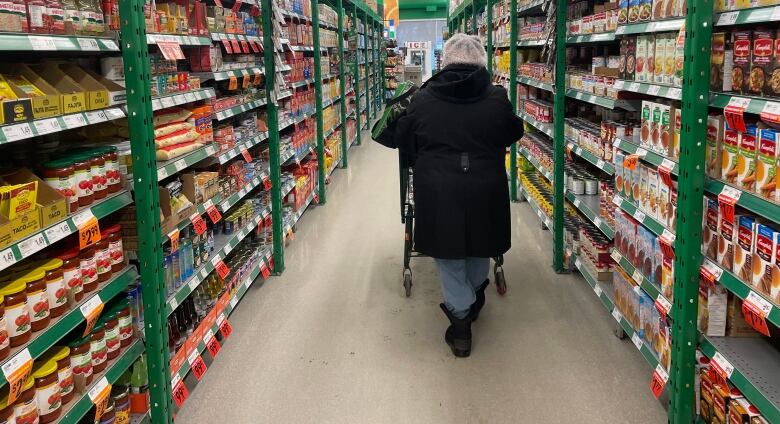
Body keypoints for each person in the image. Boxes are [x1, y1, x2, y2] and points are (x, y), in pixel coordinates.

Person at [394, 34, 524, 358]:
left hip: (439, 190)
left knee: (449, 255)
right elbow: (513, 131)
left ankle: (462, 322)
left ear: (445, 63)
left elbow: (405, 139)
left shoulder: (423, 99)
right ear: (482, 63)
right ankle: (475, 294)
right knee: (480, 243)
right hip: (486, 186)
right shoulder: (496, 98)